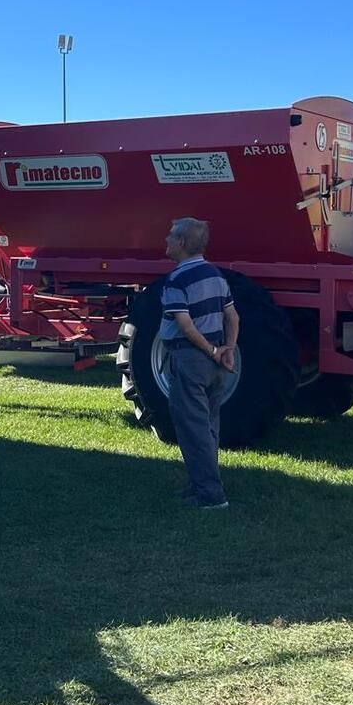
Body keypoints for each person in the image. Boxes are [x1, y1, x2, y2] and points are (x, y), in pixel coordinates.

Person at [160, 217, 239, 511]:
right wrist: (226, 349)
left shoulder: (176, 280)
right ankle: (200, 484)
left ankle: (210, 495)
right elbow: (233, 317)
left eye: (170, 236)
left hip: (191, 358)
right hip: (215, 361)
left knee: (192, 427)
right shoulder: (216, 276)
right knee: (209, 426)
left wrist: (211, 351)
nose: (165, 240)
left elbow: (186, 326)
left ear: (181, 243)